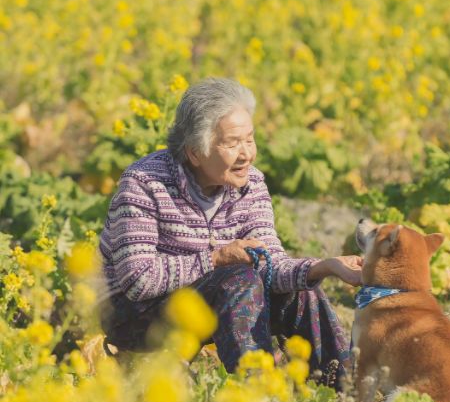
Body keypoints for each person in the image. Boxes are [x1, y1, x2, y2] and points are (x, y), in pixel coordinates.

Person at [99, 77, 362, 384]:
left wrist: (324, 266)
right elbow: (138, 281)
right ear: (195, 152)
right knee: (239, 277)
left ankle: (346, 397)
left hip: (209, 301)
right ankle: (260, 398)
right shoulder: (144, 184)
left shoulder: (251, 184)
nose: (246, 154)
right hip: (134, 315)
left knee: (300, 293)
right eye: (232, 143)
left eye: (249, 140)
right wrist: (216, 258)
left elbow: (271, 265)